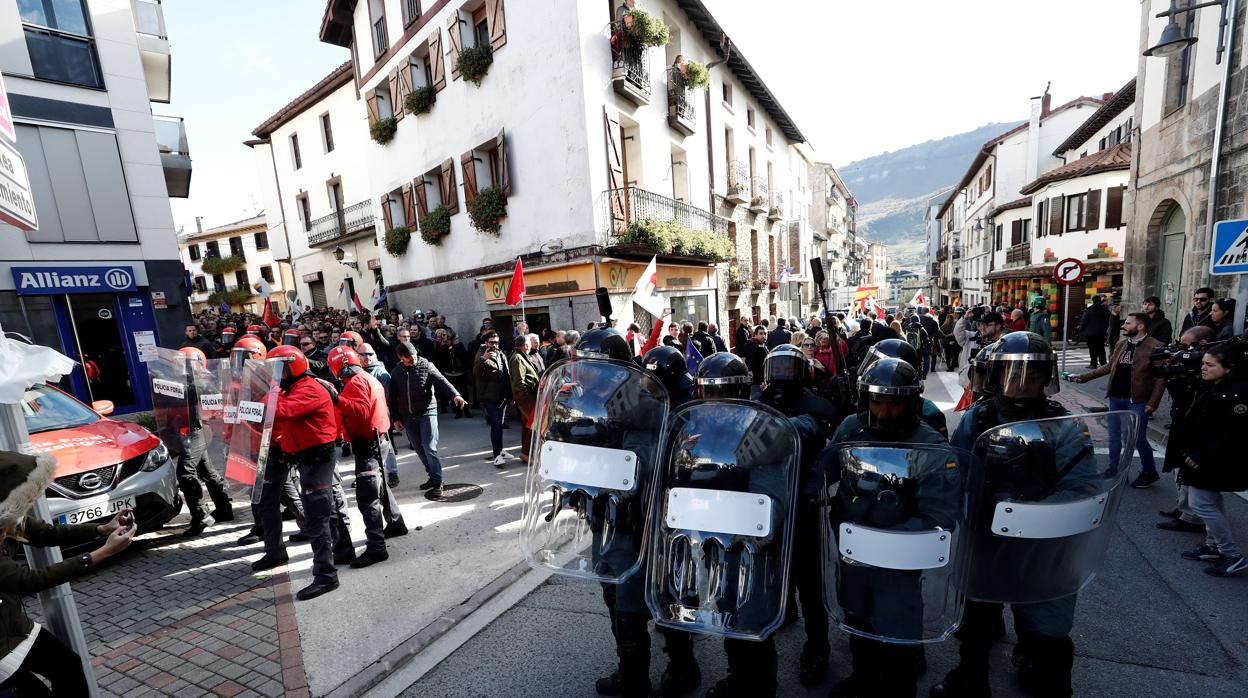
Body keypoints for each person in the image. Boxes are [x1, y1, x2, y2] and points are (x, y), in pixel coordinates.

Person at [934, 332, 1091, 698]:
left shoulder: (1064, 427)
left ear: (1045, 378)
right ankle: (971, 678)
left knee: (1046, 623)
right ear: (996, 376)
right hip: (986, 536)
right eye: (1012, 375)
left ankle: (1044, 674)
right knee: (976, 616)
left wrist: (1038, 508)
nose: (1021, 384)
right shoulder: (978, 419)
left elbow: (1082, 487)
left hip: (1043, 541)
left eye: (1032, 376)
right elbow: (955, 468)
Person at [819, 358, 957, 697]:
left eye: (894, 403)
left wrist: (895, 527)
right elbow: (826, 467)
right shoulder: (851, 428)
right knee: (857, 616)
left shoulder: (930, 446)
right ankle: (863, 677)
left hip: (899, 557)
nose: (883, 412)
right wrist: (810, 492)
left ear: (911, 402)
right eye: (876, 401)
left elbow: (940, 515)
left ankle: (898, 686)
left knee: (896, 627)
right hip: (852, 546)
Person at [0, 451, 137, 697]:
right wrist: (102, 553)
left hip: (14, 628)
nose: (28, 505)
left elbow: (46, 533)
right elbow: (29, 581)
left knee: (69, 666)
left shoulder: (10, 517)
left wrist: (102, 528)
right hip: (1, 649)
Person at [756, 344, 836, 688]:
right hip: (766, 502)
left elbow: (821, 445)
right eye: (778, 367)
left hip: (804, 500)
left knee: (809, 578)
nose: (782, 375)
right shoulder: (757, 402)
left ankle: (818, 644)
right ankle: (782, 610)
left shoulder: (817, 408)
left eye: (789, 368)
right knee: (769, 567)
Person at [259, 345, 354, 600]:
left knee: (317, 516)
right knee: (327, 511)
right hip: (307, 457)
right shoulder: (296, 387)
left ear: (291, 367)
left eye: (278, 369)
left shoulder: (309, 388)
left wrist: (269, 394)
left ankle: (326, 575)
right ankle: (343, 550)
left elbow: (282, 410)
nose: (274, 375)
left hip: (317, 458)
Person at [1174, 343, 1248, 577]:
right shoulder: (1213, 386)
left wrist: (1200, 455)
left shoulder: (1239, 392)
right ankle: (1213, 546)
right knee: (1210, 502)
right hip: (1202, 455)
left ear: (1227, 368)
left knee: (1202, 504)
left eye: (1209, 365)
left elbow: (1234, 433)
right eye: (1203, 363)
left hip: (1216, 459)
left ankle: (1232, 555)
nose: (1203, 368)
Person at [330, 346, 408, 566]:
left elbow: (362, 412)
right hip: (378, 440)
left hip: (368, 444)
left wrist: (338, 400)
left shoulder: (355, 383)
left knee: (368, 498)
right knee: (380, 487)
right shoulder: (366, 377)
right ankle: (395, 522)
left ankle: (377, 547)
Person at [1072, 312, 1166, 488]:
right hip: (1116, 398)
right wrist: (1084, 377)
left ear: (1140, 326)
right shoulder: (1121, 344)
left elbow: (1160, 379)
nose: (1123, 326)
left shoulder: (1155, 347)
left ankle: (1149, 472)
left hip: (1137, 401)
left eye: (1128, 323)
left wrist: (1152, 403)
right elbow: (1109, 366)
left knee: (1137, 438)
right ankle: (1113, 468)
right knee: (1114, 436)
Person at [1157, 326, 1217, 532]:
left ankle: (1193, 517)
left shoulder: (1209, 373)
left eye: (1185, 346)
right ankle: (1184, 507)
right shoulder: (1186, 367)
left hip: (1195, 429)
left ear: (1201, 345)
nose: (1179, 350)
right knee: (1177, 468)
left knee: (1187, 471)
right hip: (1181, 420)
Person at [390, 341, 465, 497]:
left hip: (427, 412)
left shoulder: (427, 365)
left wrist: (455, 395)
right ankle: (432, 475)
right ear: (400, 357)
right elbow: (393, 397)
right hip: (408, 416)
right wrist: (396, 418)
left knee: (429, 447)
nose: (413, 359)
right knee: (418, 448)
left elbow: (442, 381)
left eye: (414, 356)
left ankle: (438, 482)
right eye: (409, 358)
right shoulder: (396, 372)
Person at [173, 347, 234, 537]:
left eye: (185, 362)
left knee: (185, 473)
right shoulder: (181, 381)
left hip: (198, 430)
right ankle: (224, 508)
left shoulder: (202, 381)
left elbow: (210, 398)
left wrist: (182, 387)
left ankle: (200, 516)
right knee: (206, 471)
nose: (180, 366)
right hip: (189, 429)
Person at [473, 331, 512, 467]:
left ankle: (500, 450)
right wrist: (483, 359)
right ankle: (496, 455)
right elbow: (475, 373)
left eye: (496, 342)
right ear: (486, 342)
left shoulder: (501, 353)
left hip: (502, 396)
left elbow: (506, 374)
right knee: (495, 425)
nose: (494, 345)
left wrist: (510, 395)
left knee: (499, 425)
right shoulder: (481, 353)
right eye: (491, 342)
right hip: (489, 397)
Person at [508, 334, 541, 464]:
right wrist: (525, 399)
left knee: (528, 425)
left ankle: (526, 452)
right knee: (535, 424)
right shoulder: (517, 358)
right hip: (525, 397)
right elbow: (519, 382)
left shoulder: (521, 356)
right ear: (525, 345)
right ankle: (526, 453)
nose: (530, 347)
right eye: (529, 344)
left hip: (528, 396)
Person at [958, 312, 1004, 388]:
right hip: (975, 384)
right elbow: (958, 333)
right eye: (982, 324)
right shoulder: (976, 337)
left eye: (987, 325)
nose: (983, 327)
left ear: (998, 326)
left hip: (994, 388)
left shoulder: (1004, 342)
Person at [1079, 294, 1110, 368]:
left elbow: (1084, 321)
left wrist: (1081, 329)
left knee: (1092, 348)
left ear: (1093, 301)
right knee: (1101, 348)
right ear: (1100, 300)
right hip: (1100, 332)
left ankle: (1093, 364)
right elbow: (1108, 319)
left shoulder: (1089, 310)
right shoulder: (1104, 310)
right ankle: (1103, 363)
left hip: (1089, 333)